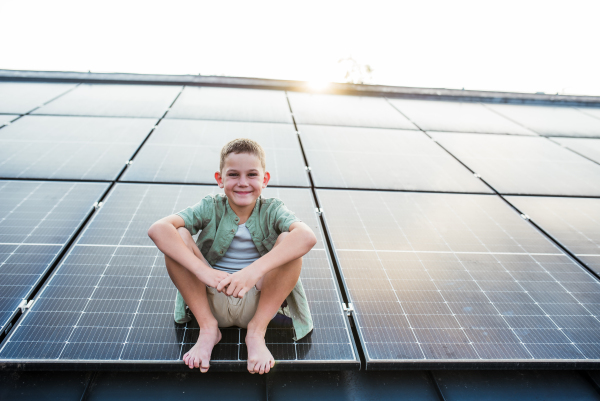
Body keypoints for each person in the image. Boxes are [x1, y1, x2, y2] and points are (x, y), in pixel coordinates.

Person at [147, 138, 315, 374]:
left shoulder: (274, 209)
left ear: (264, 180)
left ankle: (256, 334)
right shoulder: (210, 206)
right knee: (178, 235)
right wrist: (205, 272)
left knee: (290, 241)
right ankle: (208, 330)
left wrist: (251, 272)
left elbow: (307, 237)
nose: (243, 183)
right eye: (234, 174)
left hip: (258, 300)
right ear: (220, 179)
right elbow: (158, 229)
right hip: (210, 297)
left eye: (252, 175)